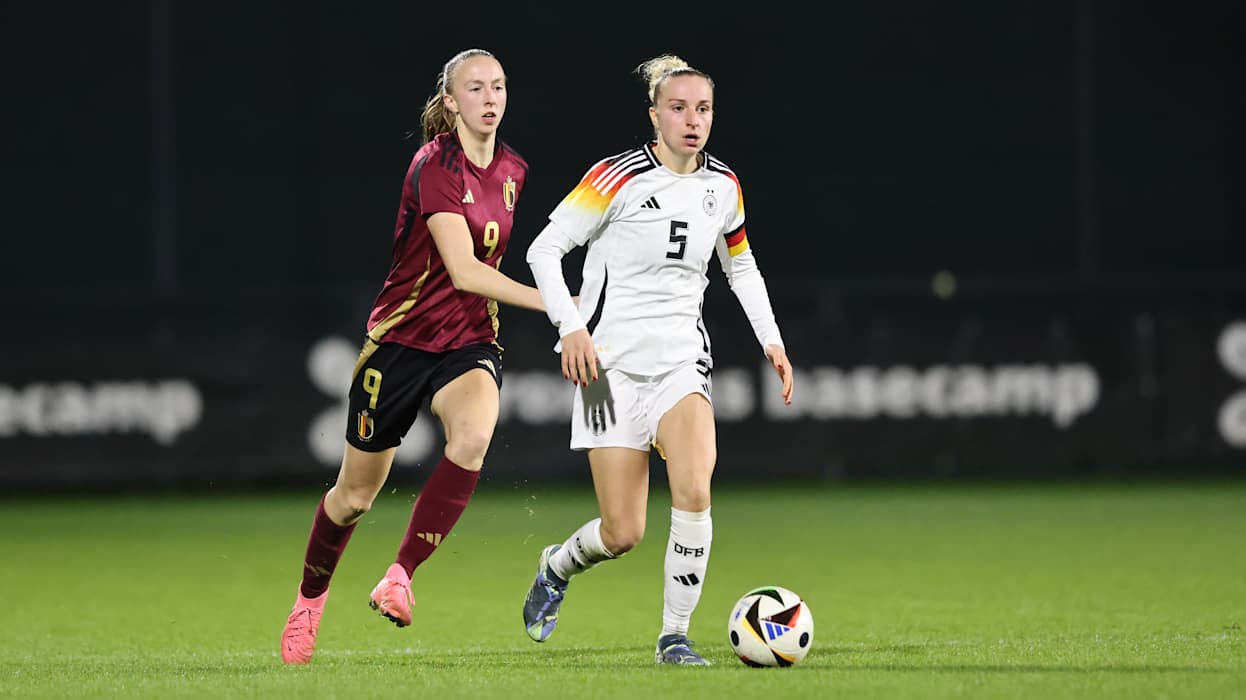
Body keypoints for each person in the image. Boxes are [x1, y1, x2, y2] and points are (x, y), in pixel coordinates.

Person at [521, 54, 794, 665]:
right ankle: (556, 565)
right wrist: (571, 328)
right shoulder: (614, 178)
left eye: (703, 109)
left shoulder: (723, 187)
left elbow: (740, 263)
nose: (692, 120)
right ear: (654, 115)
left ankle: (674, 636)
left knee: (695, 487)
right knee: (623, 532)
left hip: (680, 364)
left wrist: (771, 340)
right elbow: (544, 251)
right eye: (678, 108)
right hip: (607, 373)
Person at [280, 48, 546, 664]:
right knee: (354, 496)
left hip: (469, 341)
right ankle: (309, 600)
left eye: (499, 86)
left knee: (474, 437)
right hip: (400, 341)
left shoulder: (515, 169)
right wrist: (556, 305)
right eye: (475, 88)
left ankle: (400, 576)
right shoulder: (434, 165)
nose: (490, 97)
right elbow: (463, 269)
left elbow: (487, 274)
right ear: (451, 101)